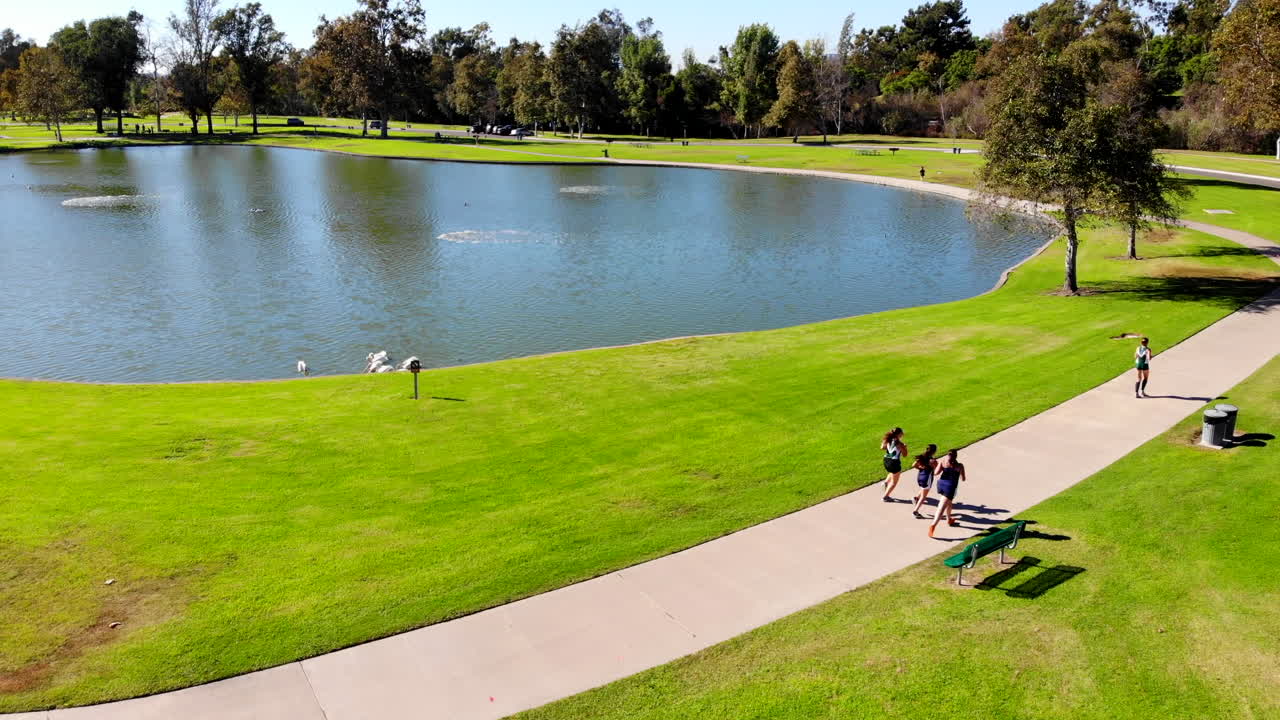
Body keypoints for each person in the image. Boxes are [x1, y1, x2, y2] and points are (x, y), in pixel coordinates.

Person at [928, 449, 966, 537]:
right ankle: (933, 525)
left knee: (949, 503)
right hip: (950, 487)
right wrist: (959, 473)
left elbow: (936, 473)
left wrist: (934, 465)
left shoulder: (943, 462)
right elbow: (963, 479)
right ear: (956, 456)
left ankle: (949, 519)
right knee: (941, 507)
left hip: (941, 484)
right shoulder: (959, 466)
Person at [910, 444, 938, 518]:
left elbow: (913, 465)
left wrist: (920, 468)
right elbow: (935, 470)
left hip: (920, 476)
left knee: (923, 488)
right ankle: (915, 511)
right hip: (927, 478)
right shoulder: (933, 460)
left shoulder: (922, 457)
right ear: (934, 451)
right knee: (923, 496)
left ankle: (916, 498)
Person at [880, 428, 907, 502]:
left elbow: (882, 447)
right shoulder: (899, 444)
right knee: (894, 482)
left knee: (892, 472)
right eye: (902, 433)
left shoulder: (888, 439)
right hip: (894, 463)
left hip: (886, 460)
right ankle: (885, 497)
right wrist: (904, 447)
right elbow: (905, 454)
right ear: (899, 434)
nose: (903, 434)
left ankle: (885, 483)